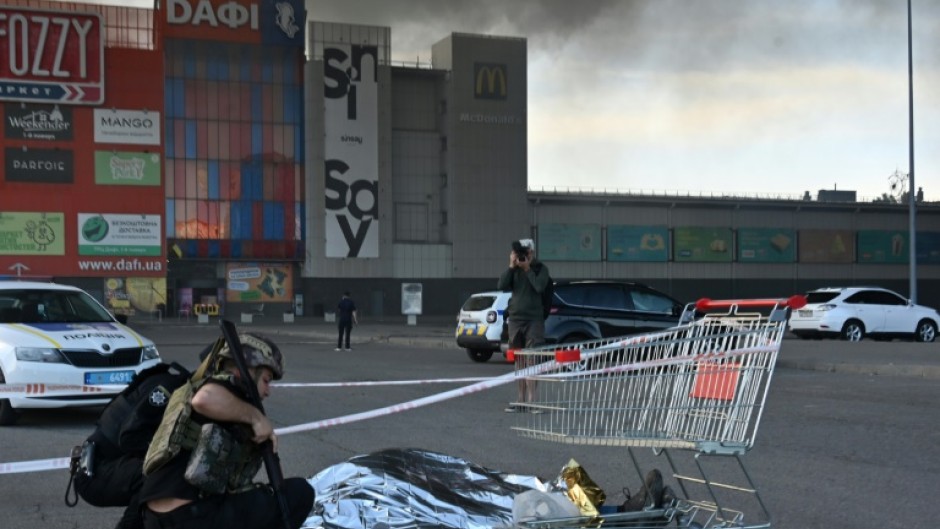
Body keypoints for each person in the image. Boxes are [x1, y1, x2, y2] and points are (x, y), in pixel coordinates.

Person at [138, 333, 314, 529]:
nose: (268, 391)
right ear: (245, 370)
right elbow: (204, 400)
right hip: (192, 515)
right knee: (300, 492)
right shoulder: (225, 386)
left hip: (155, 516)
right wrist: (256, 418)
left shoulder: (198, 387)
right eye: (266, 380)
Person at [67, 363, 190, 529]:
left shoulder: (175, 383)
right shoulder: (169, 388)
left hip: (108, 466)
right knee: (160, 476)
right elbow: (130, 437)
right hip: (95, 474)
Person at [497, 238, 551, 413]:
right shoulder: (514, 270)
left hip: (534, 320)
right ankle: (520, 400)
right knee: (519, 360)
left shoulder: (540, 269)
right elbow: (501, 285)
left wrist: (528, 269)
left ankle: (532, 401)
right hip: (515, 319)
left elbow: (539, 287)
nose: (522, 256)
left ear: (532, 252)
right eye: (519, 252)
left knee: (532, 359)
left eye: (525, 252)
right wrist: (511, 266)